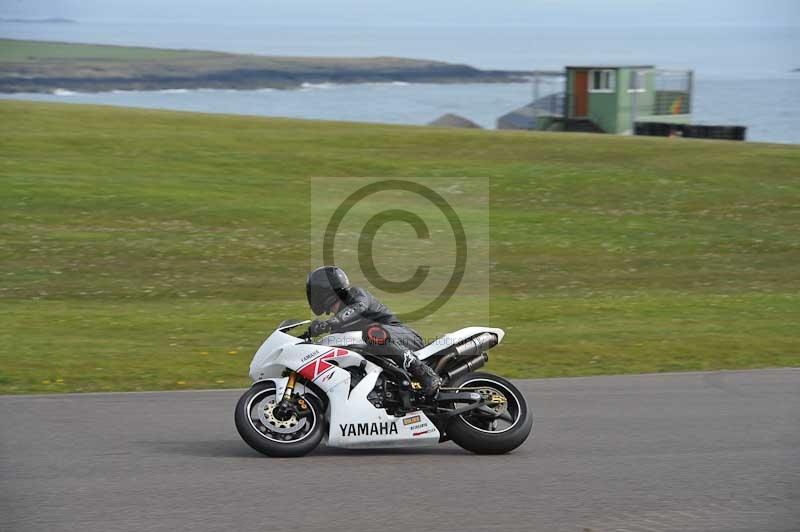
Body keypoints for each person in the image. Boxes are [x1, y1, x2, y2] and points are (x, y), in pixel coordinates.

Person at [305, 265, 441, 396]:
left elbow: (359, 307)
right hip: (388, 352)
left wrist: (329, 323)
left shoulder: (355, 294)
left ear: (323, 290)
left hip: (406, 338)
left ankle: (427, 374)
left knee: (372, 332)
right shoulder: (337, 328)